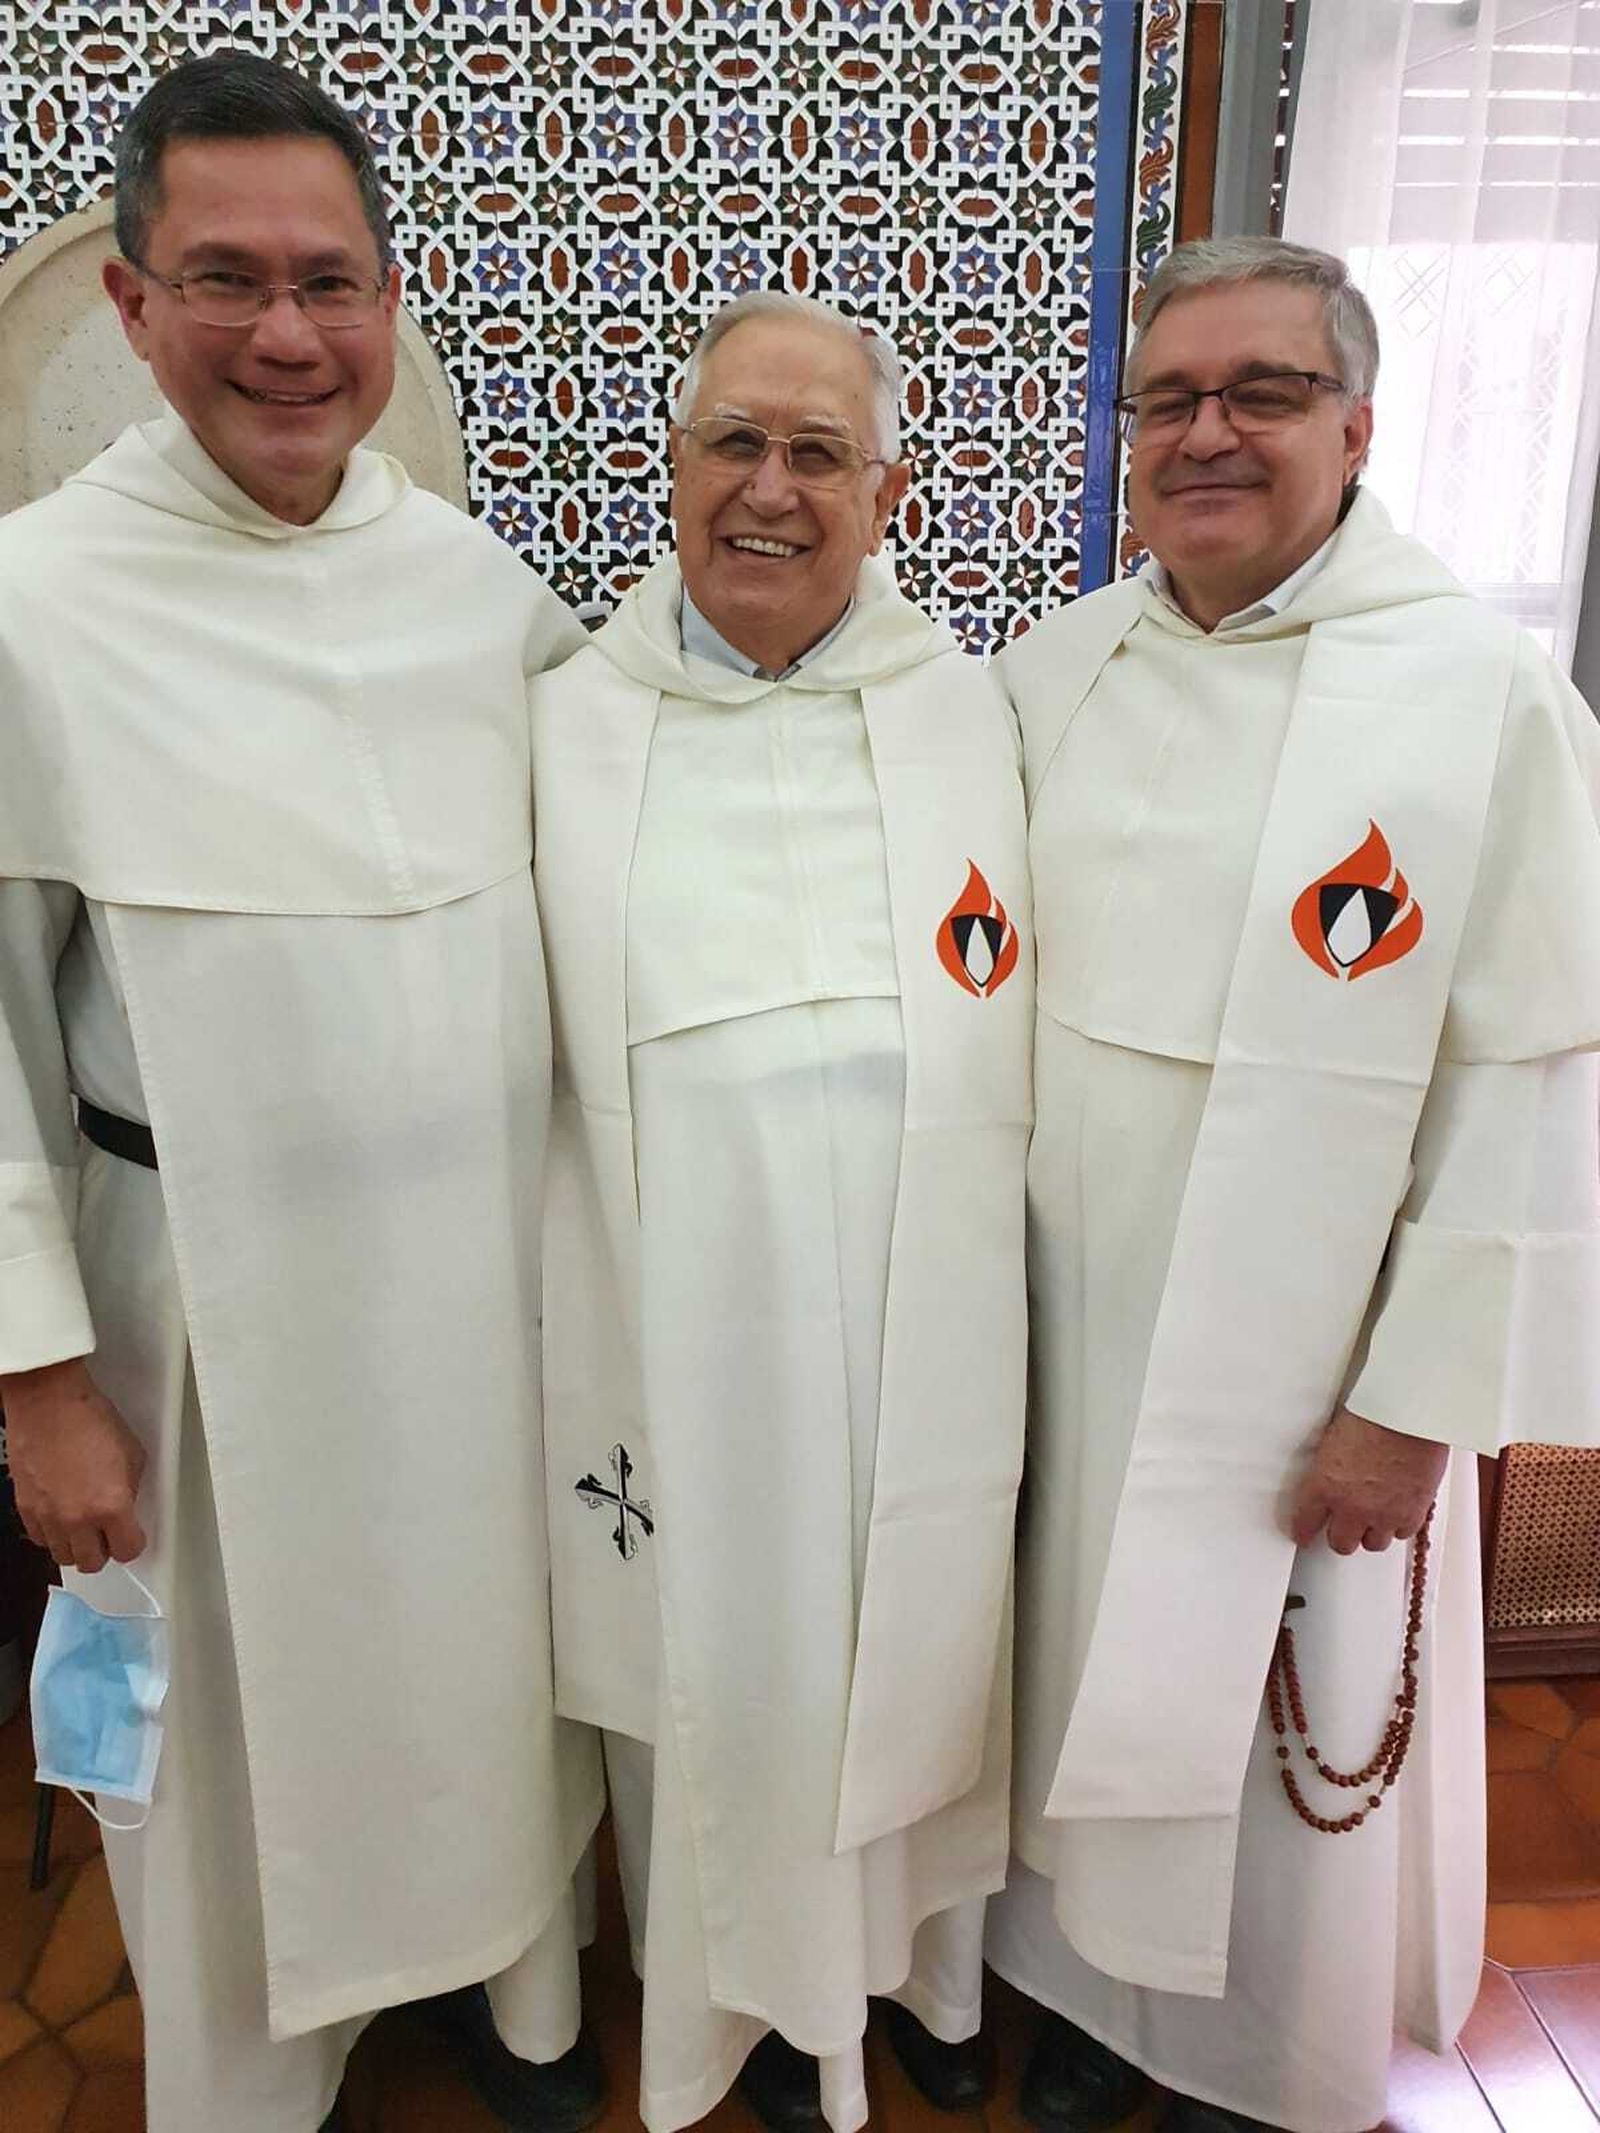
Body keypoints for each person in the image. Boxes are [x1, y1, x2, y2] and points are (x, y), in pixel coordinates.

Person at [0, 53, 605, 2133]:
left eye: (330, 281)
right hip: (195, 1314)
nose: (287, 332)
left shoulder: (473, 589)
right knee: (228, 1743)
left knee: (477, 1685)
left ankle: (508, 1998)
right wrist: (37, 1378)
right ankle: (255, 2076)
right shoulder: (28, 609)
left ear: (387, 302)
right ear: (132, 304)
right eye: (229, 278)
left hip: (477, 1296)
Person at [987, 233, 1600, 2133]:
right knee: (1076, 1681)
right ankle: (1085, 2004)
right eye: (1167, 398)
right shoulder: (1054, 667)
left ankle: (1255, 2065)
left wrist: (1411, 1405)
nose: (1206, 435)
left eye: (1259, 393)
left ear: (1354, 421)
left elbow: (1534, 1080)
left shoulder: (1477, 697)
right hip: (1057, 1342)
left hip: (1305, 1369)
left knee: (1278, 1744)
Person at [530, 291, 1032, 2132]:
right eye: (733, 442)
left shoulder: (975, 711)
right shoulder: (563, 725)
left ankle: (923, 1975)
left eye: (818, 450)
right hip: (677, 1323)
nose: (770, 487)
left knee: (920, 1622)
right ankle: (718, 2000)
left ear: (887, 488)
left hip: (931, 1310)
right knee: (718, 1650)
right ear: (670, 471)